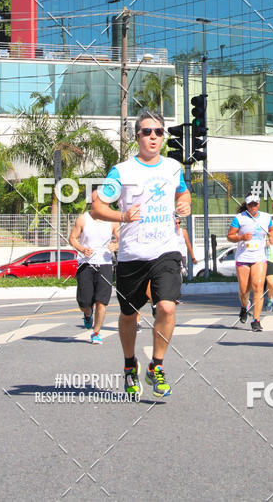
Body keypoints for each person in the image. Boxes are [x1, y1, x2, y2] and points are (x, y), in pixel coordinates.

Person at [91, 109, 191, 399]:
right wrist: (122, 217)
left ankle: (156, 366)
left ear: (163, 137)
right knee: (128, 315)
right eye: (147, 132)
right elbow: (97, 208)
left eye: (158, 132)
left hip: (166, 250)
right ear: (137, 136)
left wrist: (184, 204)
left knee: (167, 307)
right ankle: (128, 364)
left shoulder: (174, 167)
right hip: (133, 254)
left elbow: (182, 193)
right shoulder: (121, 171)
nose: (152, 137)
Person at [69, 212, 119, 343]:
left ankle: (96, 332)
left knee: (101, 302)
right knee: (84, 302)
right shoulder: (83, 219)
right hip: (85, 264)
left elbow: (122, 239)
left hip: (105, 264)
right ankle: (87, 313)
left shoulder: (112, 221)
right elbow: (72, 238)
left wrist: (116, 245)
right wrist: (82, 248)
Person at [227, 193, 273, 332]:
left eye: (255, 204)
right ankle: (244, 306)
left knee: (258, 287)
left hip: (259, 257)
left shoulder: (266, 217)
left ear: (258, 204)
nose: (253, 206)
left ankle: (256, 320)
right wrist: (241, 237)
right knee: (243, 290)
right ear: (247, 205)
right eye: (250, 204)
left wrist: (271, 237)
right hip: (243, 257)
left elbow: (271, 230)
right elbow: (230, 236)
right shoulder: (239, 218)